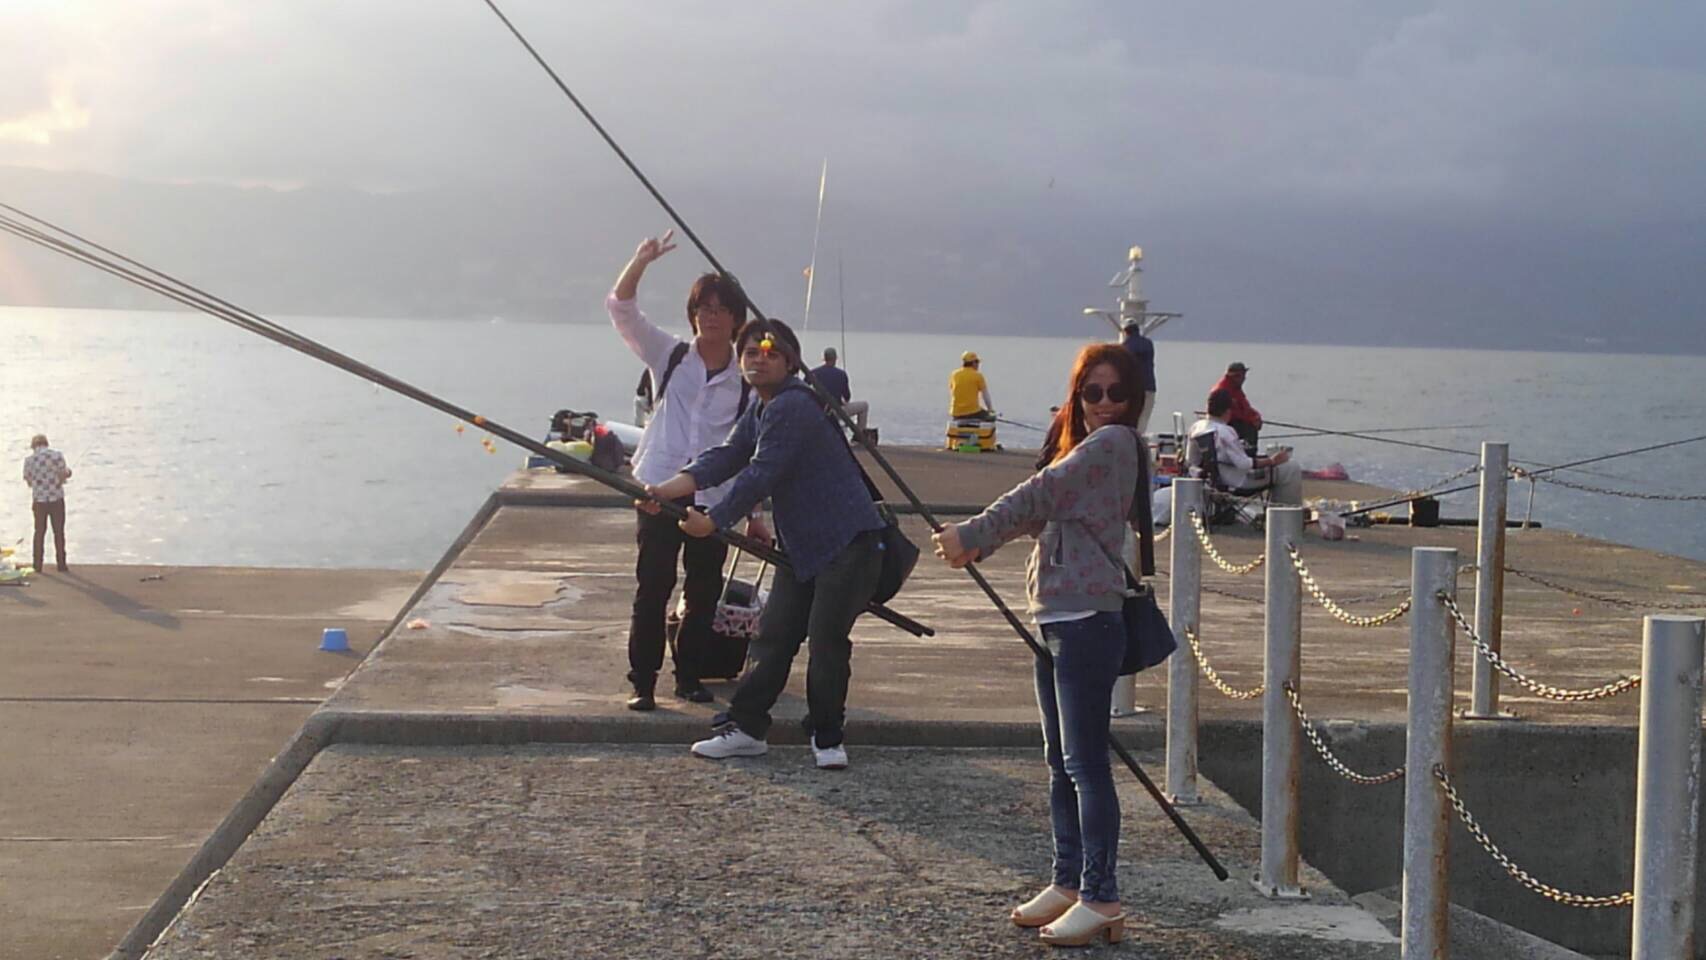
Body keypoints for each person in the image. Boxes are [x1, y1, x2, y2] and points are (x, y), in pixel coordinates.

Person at [931, 343, 1148, 948]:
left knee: (1085, 764)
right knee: (1061, 761)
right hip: (1056, 618)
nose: (1104, 403)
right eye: (1091, 392)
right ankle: (1068, 881)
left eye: (1116, 392)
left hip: (1086, 621)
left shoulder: (1113, 444)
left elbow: (1041, 492)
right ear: (1077, 395)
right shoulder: (1088, 448)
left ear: (1133, 399)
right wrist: (982, 545)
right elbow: (1043, 511)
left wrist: (972, 532)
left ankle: (1101, 895)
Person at [645, 318, 886, 771]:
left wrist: (714, 520)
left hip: (847, 541)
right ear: (740, 362)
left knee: (826, 640)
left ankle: (827, 736)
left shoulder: (792, 404)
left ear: (792, 363)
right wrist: (665, 490)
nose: (760, 359)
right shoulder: (761, 406)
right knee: (773, 636)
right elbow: (728, 456)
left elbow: (760, 473)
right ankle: (747, 729)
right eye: (751, 352)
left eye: (772, 353)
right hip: (803, 547)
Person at [607, 229, 769, 711]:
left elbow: (749, 451)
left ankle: (690, 677)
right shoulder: (670, 355)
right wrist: (641, 260)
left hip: (714, 498)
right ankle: (642, 681)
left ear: (736, 318)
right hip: (658, 487)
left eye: (720, 309)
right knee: (652, 587)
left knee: (703, 590)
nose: (710, 316)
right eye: (703, 308)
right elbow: (621, 308)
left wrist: (755, 514)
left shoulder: (748, 378)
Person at [1187, 389, 1301, 505]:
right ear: (1227, 411)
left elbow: (1191, 462)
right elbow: (1244, 464)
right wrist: (1272, 461)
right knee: (1290, 467)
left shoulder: (1196, 427)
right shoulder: (1226, 432)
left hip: (1212, 482)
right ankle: (1285, 510)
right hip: (1238, 483)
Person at [22, 434, 71, 573]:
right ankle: (61, 564)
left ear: (33, 446)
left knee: (39, 532)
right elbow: (63, 475)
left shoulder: (29, 460)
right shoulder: (57, 456)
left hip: (39, 501)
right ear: (46, 443)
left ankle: (37, 565)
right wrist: (68, 474)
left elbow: (29, 481)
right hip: (56, 499)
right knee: (58, 532)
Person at [810, 347, 869, 439]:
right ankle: (859, 437)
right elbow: (847, 397)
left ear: (824, 358)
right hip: (837, 411)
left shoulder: (814, 372)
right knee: (864, 406)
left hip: (818, 410)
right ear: (835, 359)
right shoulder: (841, 374)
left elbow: (805, 386)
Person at [1210, 361, 1262, 449]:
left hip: (1235, 421)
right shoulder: (1222, 390)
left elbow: (1245, 406)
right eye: (1242, 376)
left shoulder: (1235, 388)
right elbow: (1234, 413)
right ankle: (1248, 452)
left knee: (1249, 426)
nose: (1244, 379)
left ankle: (1248, 450)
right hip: (1225, 423)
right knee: (1249, 429)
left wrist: (1256, 416)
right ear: (1235, 376)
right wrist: (1252, 420)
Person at [1118, 320, 1157, 435]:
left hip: (1132, 388)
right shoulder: (1148, 344)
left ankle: (1131, 439)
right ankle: (1139, 437)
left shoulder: (1124, 347)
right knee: (1143, 417)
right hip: (1149, 386)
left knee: (1130, 417)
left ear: (1125, 332)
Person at [949, 350, 996, 422]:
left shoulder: (954, 374)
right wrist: (990, 410)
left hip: (955, 413)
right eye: (977, 362)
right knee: (991, 417)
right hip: (973, 412)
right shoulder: (978, 376)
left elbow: (952, 391)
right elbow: (985, 396)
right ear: (973, 363)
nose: (978, 364)